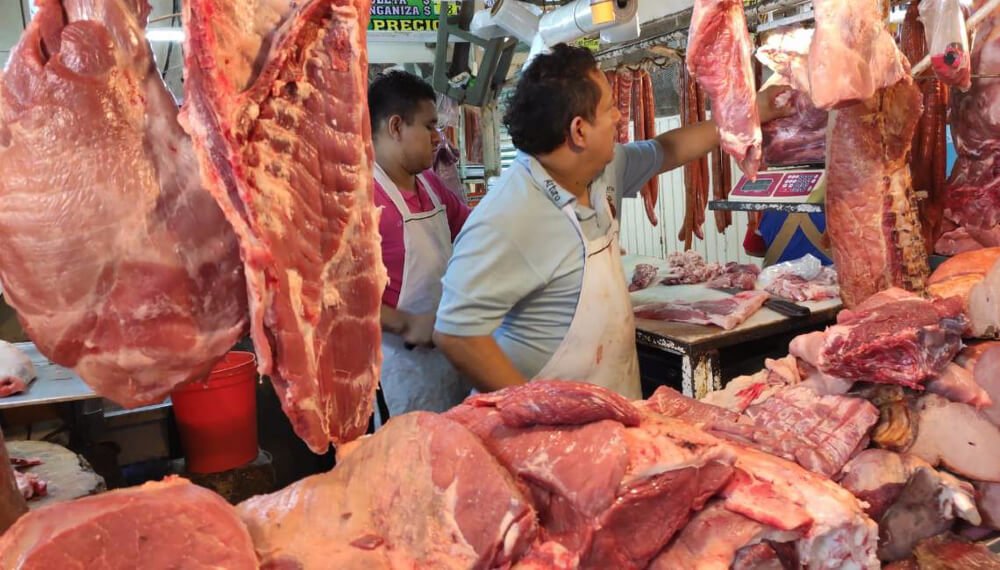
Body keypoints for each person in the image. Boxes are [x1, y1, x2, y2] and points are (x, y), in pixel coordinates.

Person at [433, 44, 791, 398]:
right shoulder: (508, 215)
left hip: (613, 403)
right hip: (550, 429)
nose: (620, 117)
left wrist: (752, 112)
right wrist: (533, 412)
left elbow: (668, 150)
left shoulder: (603, 169)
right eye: (609, 109)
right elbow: (456, 333)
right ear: (579, 131)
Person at [369, 70, 471, 423]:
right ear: (396, 126)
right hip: (401, 375)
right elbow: (331, 298)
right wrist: (403, 322)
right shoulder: (361, 200)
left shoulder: (429, 185)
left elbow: (476, 234)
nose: (436, 138)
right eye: (429, 127)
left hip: (451, 361)